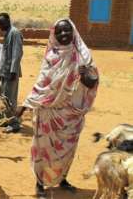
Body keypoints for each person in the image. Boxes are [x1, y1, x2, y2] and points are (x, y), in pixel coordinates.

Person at [17, 19, 99, 198]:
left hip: (72, 114)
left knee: (68, 150)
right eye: (59, 31)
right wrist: (25, 106)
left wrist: (87, 79)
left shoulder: (83, 55)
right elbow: (42, 84)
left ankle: (62, 178)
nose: (63, 35)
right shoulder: (51, 56)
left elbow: (93, 81)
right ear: (54, 33)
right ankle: (39, 183)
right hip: (49, 112)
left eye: (67, 31)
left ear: (74, 31)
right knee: (43, 149)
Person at [0, 13, 23, 133]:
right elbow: (5, 55)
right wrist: (0, 71)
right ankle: (6, 120)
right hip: (5, 72)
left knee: (10, 99)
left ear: (8, 21)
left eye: (2, 23)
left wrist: (13, 71)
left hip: (11, 72)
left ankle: (14, 124)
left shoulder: (15, 33)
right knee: (4, 97)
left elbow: (17, 54)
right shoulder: (7, 34)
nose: (0, 26)